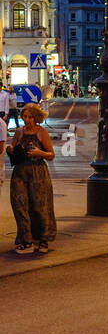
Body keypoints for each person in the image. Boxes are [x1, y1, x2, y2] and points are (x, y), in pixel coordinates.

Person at [6, 102, 56, 255]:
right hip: (20, 172)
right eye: (25, 117)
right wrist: (10, 149)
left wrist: (40, 153)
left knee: (40, 206)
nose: (27, 120)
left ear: (36, 118)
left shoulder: (42, 132)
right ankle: (25, 239)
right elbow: (13, 149)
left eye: (30, 117)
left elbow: (51, 155)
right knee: (20, 206)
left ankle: (43, 239)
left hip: (38, 173)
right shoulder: (19, 132)